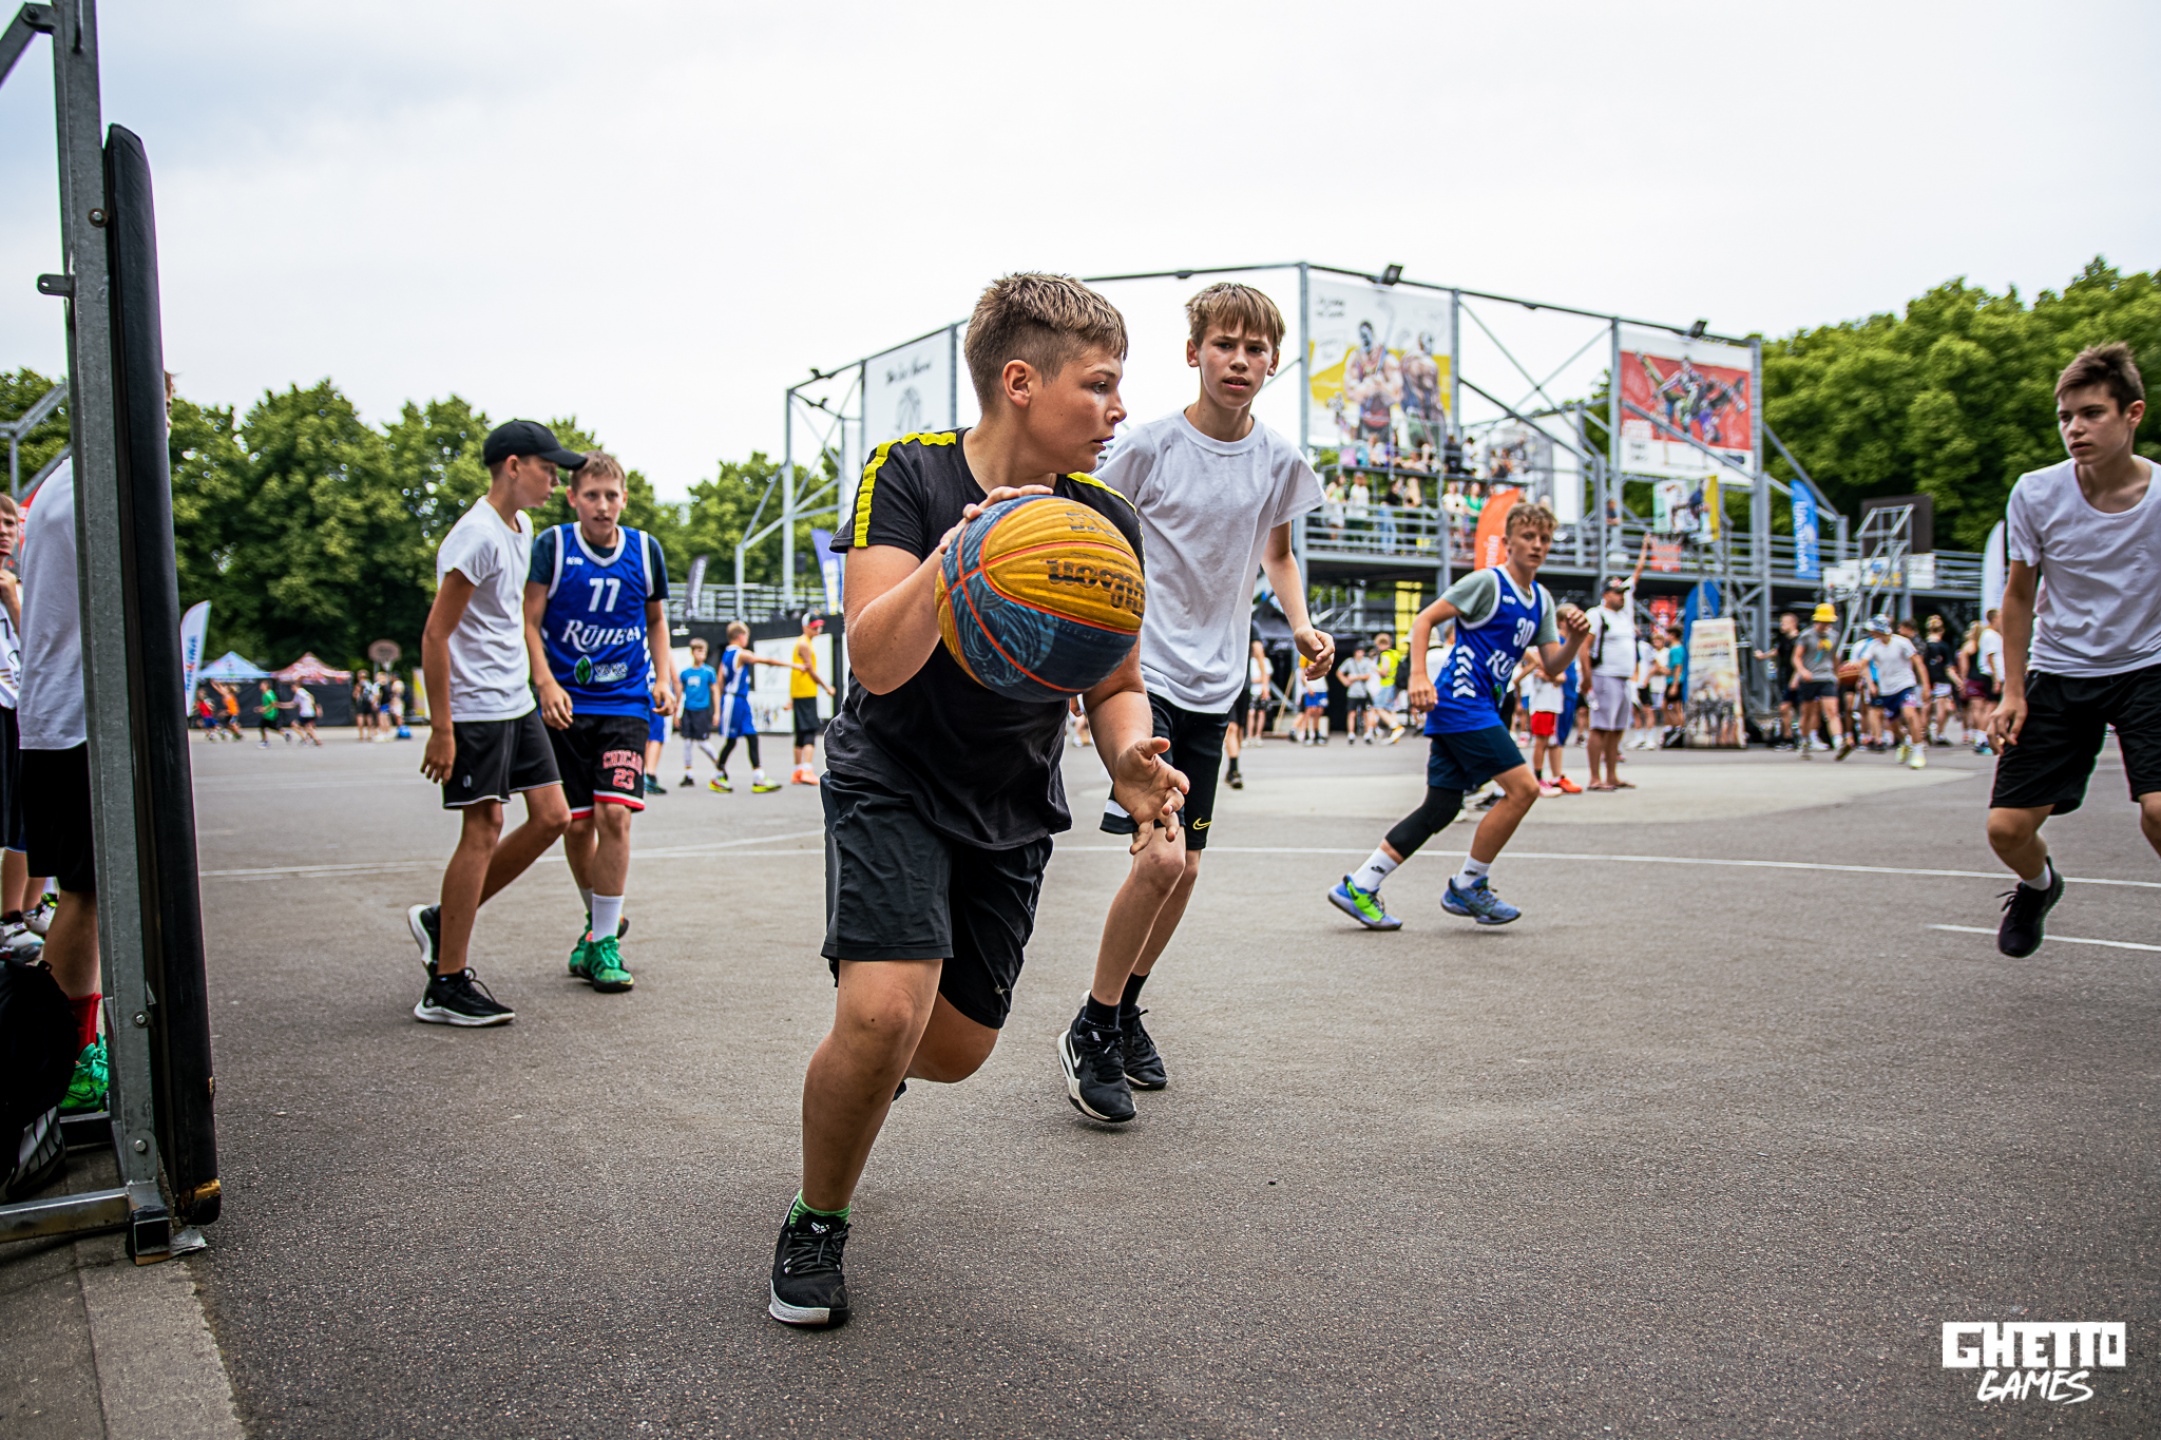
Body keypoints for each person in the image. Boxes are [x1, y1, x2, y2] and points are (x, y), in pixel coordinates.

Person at [769, 272, 1184, 1328]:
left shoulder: (1103, 521)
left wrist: (1130, 760)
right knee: (882, 1014)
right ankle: (818, 1216)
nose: (1118, 408)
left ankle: (868, 1072)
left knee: (951, 1052)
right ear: (1020, 382)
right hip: (893, 774)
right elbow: (876, 659)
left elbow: (1116, 684)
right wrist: (960, 556)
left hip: (1009, 795)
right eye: (1099, 384)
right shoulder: (906, 474)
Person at [1064, 280, 1329, 1124]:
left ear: (1272, 363)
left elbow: (1277, 554)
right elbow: (1083, 524)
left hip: (1217, 687)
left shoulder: (1278, 459)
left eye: (1254, 349)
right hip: (1143, 680)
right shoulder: (1148, 448)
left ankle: (1124, 1010)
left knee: (1186, 872)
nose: (1238, 360)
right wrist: (1076, 652)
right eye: (1224, 344)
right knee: (1160, 860)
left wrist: (1300, 624)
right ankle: (1091, 1027)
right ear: (1193, 353)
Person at [1328, 501, 1590, 931]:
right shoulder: (1488, 583)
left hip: (1480, 706)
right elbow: (1425, 619)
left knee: (1443, 806)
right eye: (1528, 536)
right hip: (1461, 703)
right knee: (1524, 789)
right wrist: (1417, 675)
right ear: (1508, 542)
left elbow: (1552, 664)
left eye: (1544, 539)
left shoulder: (1541, 600)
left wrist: (1575, 640)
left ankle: (1360, 884)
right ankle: (1469, 884)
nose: (1537, 545)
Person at [1985, 343, 2161, 958]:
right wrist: (2011, 692)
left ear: (2132, 413)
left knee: (2160, 811)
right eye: (2066, 417)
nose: (2074, 429)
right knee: (2006, 829)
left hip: (2148, 667)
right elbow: (2017, 597)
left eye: (2091, 414)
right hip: (2060, 669)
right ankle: (2039, 886)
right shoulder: (2036, 493)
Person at [405, 421, 578, 1026]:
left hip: (515, 700)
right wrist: (442, 727)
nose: (554, 480)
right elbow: (436, 635)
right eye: (547, 468)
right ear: (512, 465)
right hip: (476, 706)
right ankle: (445, 984)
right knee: (483, 828)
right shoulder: (475, 536)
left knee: (553, 816)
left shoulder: (520, 527)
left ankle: (441, 920)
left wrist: (538, 682)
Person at [525, 450, 675, 995]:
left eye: (611, 495)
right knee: (575, 824)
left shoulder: (645, 550)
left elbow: (656, 620)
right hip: (566, 705)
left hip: (625, 703)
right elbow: (529, 620)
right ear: (573, 498)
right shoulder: (553, 546)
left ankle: (606, 940)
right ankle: (597, 924)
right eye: (591, 495)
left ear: (624, 499)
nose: (602, 505)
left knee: (616, 816)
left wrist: (664, 677)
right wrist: (545, 682)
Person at [16, 462, 108, 1138]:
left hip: (56, 715)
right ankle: (63, 1064)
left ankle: (70, 1052)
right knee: (85, 893)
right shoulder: (94, 482)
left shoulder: (61, 486)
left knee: (86, 893)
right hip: (76, 719)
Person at [1583, 540, 1649, 788]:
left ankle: (1611, 775)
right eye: (1616, 592)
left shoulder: (1624, 615)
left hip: (1623, 678)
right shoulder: (1596, 614)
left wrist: (1644, 549)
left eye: (1622, 592)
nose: (1621, 596)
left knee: (1617, 728)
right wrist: (1587, 678)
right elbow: (1584, 647)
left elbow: (1637, 574)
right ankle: (1594, 777)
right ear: (1605, 594)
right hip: (1604, 675)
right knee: (1600, 727)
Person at [709, 621, 789, 793]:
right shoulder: (740, 654)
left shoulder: (726, 655)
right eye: (746, 636)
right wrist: (793, 666)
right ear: (740, 636)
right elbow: (766, 661)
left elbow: (720, 681)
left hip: (739, 701)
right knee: (731, 741)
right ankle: (718, 775)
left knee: (752, 736)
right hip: (734, 701)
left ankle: (758, 777)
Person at [1856, 613, 1929, 768]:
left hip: (1905, 684)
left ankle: (1918, 751)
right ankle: (1905, 742)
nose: (1871, 633)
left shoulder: (1902, 642)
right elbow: (1863, 664)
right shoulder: (1873, 646)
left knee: (1910, 714)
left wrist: (1925, 685)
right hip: (1886, 689)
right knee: (1893, 725)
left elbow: (1918, 663)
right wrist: (1870, 683)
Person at [1793, 602, 1853, 759]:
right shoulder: (1806, 636)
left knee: (1832, 710)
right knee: (1806, 712)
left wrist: (1837, 673)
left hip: (1827, 677)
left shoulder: (1834, 636)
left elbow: (1834, 656)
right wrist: (1802, 671)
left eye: (1828, 622)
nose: (1826, 625)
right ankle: (1804, 741)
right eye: (1823, 621)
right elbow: (1797, 657)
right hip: (1809, 678)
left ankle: (1839, 743)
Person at [789, 613, 837, 786]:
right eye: (814, 627)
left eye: (819, 626)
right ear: (805, 627)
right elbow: (811, 672)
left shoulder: (802, 642)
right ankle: (807, 770)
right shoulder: (804, 644)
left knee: (801, 733)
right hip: (807, 692)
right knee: (810, 730)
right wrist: (827, 687)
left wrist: (790, 698)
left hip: (799, 693)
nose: (818, 630)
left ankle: (797, 771)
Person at [1754, 610, 1802, 748]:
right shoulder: (1784, 640)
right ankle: (1787, 737)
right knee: (1784, 708)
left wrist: (1797, 676)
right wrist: (1763, 656)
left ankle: (1804, 737)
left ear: (1793, 624)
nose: (1781, 626)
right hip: (1787, 678)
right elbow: (1776, 652)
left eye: (1784, 623)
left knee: (1801, 709)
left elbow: (1802, 660)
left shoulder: (1800, 640)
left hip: (1798, 678)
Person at [676, 637, 719, 785]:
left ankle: (720, 765)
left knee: (702, 743)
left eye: (704, 652)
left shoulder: (709, 672)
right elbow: (680, 693)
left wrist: (717, 712)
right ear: (692, 652)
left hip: (702, 711)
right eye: (699, 651)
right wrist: (676, 712)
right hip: (688, 710)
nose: (701, 655)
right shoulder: (685, 673)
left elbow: (715, 692)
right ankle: (688, 775)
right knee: (687, 743)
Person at [1921, 615, 1960, 745]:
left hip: (1926, 680)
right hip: (1941, 680)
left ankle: (1923, 732)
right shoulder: (1943, 646)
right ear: (1942, 630)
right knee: (1942, 708)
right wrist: (1958, 681)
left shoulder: (1924, 646)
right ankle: (1939, 734)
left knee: (1926, 707)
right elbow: (1949, 668)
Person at [1975, 608, 2005, 755]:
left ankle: (1987, 736)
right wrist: (1996, 679)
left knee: (1993, 706)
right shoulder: (1990, 635)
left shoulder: (1994, 635)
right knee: (1990, 707)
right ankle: (1981, 738)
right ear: (1994, 619)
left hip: (1996, 676)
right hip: (1992, 676)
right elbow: (1990, 658)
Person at [1339, 643, 1379, 742]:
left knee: (1365, 713)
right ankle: (1351, 733)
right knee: (1352, 713)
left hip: (1363, 691)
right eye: (1358, 652)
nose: (1360, 654)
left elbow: (1368, 676)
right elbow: (1339, 672)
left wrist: (1355, 677)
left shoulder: (1366, 662)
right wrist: (1345, 681)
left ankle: (1367, 733)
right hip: (1353, 692)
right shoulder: (1350, 662)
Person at [255, 679, 287, 747]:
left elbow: (274, 703)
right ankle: (284, 734)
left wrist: (265, 709)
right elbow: (267, 704)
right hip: (267, 714)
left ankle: (265, 742)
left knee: (263, 726)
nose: (260, 686)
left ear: (266, 686)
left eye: (262, 685)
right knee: (268, 727)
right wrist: (261, 708)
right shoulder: (264, 694)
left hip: (271, 714)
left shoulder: (268, 694)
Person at [290, 681, 322, 746]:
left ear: (296, 687)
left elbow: (310, 696)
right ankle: (316, 740)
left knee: (295, 725)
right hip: (306, 713)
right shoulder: (298, 694)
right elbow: (293, 704)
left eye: (293, 687)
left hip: (307, 713)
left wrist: (315, 707)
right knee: (307, 727)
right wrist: (280, 705)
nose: (292, 689)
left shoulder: (300, 691)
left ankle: (306, 739)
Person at [352, 673, 375, 741]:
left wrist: (356, 696)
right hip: (368, 702)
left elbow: (355, 694)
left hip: (361, 702)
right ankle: (369, 734)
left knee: (360, 717)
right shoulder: (370, 684)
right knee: (369, 717)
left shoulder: (359, 684)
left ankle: (361, 735)